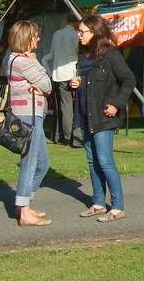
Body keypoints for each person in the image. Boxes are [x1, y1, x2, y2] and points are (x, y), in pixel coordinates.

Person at [70, 15, 136, 222]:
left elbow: (129, 81)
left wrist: (116, 103)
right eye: (78, 31)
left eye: (82, 31)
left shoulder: (111, 55)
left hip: (103, 116)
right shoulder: (84, 56)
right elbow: (87, 83)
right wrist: (75, 82)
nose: (79, 35)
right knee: (92, 161)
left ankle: (117, 207)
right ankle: (98, 203)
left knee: (105, 160)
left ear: (94, 33)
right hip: (85, 114)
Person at [6, 20, 53, 227]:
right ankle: (24, 212)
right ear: (26, 38)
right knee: (30, 162)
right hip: (28, 115)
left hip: (34, 114)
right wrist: (36, 63)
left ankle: (23, 202)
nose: (38, 38)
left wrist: (40, 83)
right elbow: (47, 85)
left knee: (43, 163)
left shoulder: (16, 59)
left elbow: (43, 86)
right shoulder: (22, 61)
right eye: (35, 35)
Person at [43, 18, 80, 146]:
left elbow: (50, 55)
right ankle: (73, 137)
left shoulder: (56, 34)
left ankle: (63, 136)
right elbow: (78, 51)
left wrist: (50, 72)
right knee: (74, 106)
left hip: (58, 75)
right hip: (72, 74)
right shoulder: (75, 34)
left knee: (63, 107)